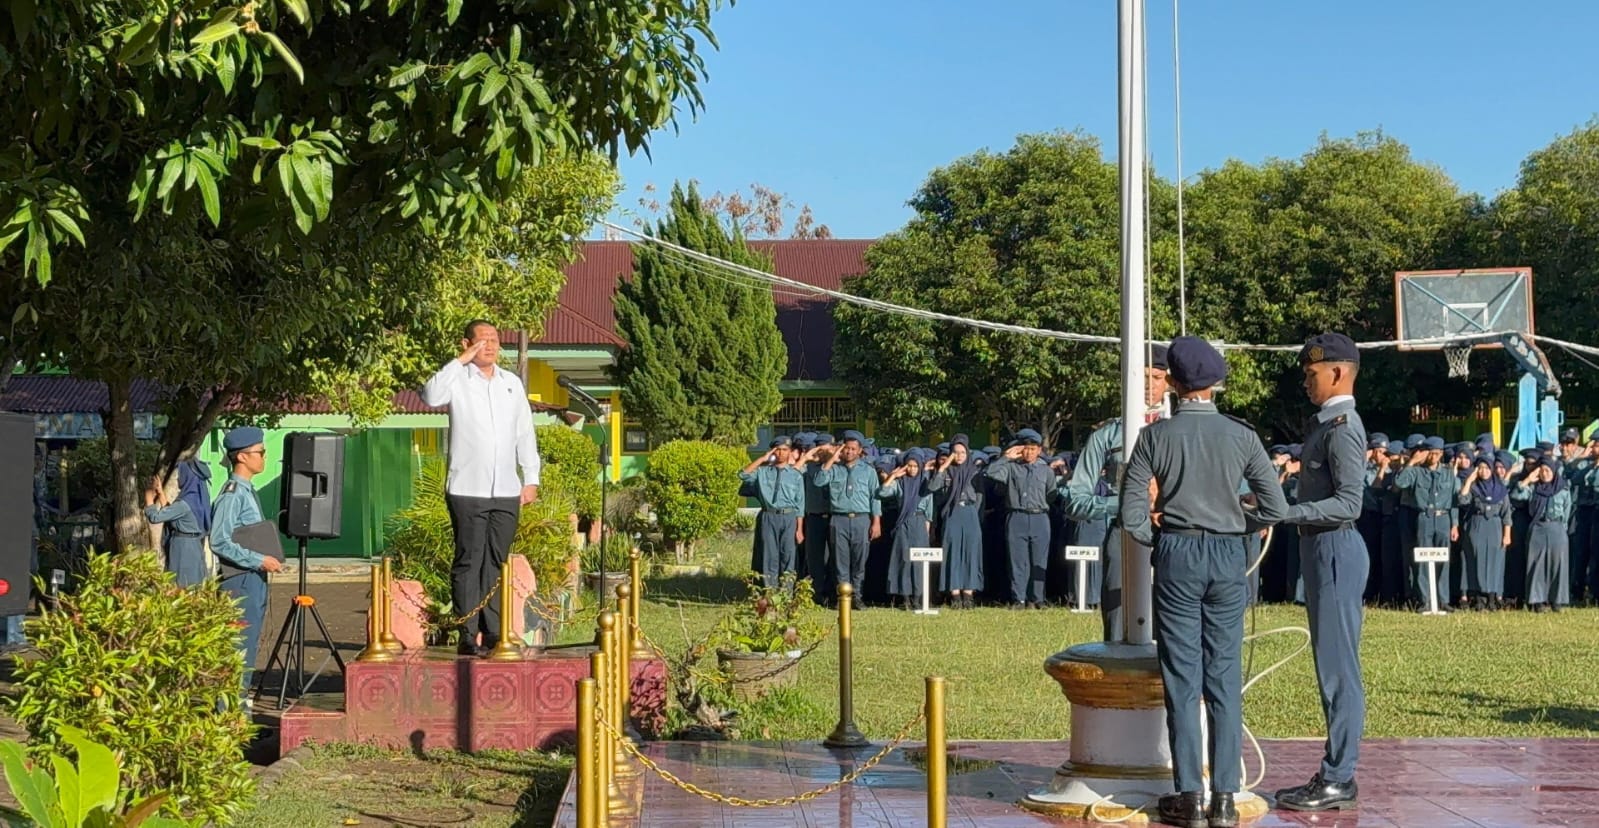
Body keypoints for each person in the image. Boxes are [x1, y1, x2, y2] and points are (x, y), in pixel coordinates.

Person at [1118, 336, 1288, 828]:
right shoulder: (1242, 435)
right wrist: (1241, 519)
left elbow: (1130, 517)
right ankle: (1226, 798)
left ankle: (1189, 794)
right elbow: (1275, 507)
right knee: (1224, 676)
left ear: (1171, 383)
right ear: (1217, 384)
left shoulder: (1154, 437)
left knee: (1181, 676)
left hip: (1177, 552)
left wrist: (1161, 531)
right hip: (1228, 554)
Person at [1274, 332, 1370, 813]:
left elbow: (1350, 502)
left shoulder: (1342, 427)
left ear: (1337, 373)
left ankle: (1339, 776)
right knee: (1331, 666)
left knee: (1338, 671)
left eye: (1313, 375)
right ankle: (1335, 770)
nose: (1307, 383)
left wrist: (1287, 512)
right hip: (1320, 549)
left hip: (1334, 549)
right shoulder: (1325, 424)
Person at [421, 320, 541, 656]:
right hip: (467, 487)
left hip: (505, 488)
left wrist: (531, 477)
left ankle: (493, 631)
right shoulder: (457, 379)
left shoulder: (511, 383)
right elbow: (430, 396)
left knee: (496, 561)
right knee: (468, 560)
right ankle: (466, 631)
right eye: (482, 340)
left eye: (494, 340)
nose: (489, 346)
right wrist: (460, 360)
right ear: (467, 343)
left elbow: (524, 432)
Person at [1064, 344, 1169, 637]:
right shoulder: (1107, 436)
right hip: (1124, 535)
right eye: (1142, 377)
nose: (1149, 385)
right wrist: (1127, 503)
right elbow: (1075, 501)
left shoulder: (1181, 431)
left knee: (1174, 624)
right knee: (1119, 622)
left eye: (1157, 377)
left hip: (1175, 534)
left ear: (1169, 382)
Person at [210, 426, 285, 694]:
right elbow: (219, 540)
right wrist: (258, 559)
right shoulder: (232, 494)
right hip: (240, 581)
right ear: (242, 457)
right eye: (260, 452)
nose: (264, 457)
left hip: (252, 579)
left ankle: (241, 719)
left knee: (248, 649)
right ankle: (231, 722)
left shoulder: (246, 490)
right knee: (238, 652)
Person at [986, 428, 1055, 609]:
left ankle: (1037, 598)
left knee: (1039, 560)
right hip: (1016, 516)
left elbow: (1051, 494)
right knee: (1017, 560)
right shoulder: (1011, 467)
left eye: (1033, 449)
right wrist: (1005, 457)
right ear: (1019, 449)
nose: (1029, 452)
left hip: (1039, 517)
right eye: (1025, 448)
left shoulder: (1046, 471)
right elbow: (991, 473)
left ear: (1039, 450)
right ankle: (1019, 599)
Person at [812, 430, 881, 609]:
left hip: (861, 519)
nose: (849, 452)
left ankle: (857, 596)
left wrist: (876, 522)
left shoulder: (868, 471)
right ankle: (844, 597)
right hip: (838, 519)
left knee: (859, 561)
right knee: (839, 561)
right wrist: (833, 457)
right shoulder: (833, 469)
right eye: (846, 448)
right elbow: (818, 481)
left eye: (852, 449)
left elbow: (875, 497)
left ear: (859, 451)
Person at [1394, 436, 1457, 612]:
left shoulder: (1448, 473)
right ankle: (1425, 600)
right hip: (1424, 517)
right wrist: (1412, 462)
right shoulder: (1417, 472)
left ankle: (1443, 599)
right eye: (1430, 454)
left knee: (1443, 560)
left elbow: (1454, 501)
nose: (1433, 457)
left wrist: (1455, 524)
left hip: (1444, 518)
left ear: (1441, 454)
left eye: (1437, 454)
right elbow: (1399, 483)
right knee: (1422, 560)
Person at [740, 437, 804, 589]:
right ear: (773, 452)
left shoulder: (795, 475)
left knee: (788, 556)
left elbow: (800, 504)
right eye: (778, 450)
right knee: (769, 556)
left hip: (788, 516)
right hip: (769, 515)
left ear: (790, 452)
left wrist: (799, 528)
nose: (781, 453)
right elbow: (743, 475)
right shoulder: (762, 472)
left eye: (785, 450)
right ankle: (770, 592)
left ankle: (786, 594)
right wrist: (763, 458)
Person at [928, 436, 984, 608]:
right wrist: (943, 467)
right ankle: (954, 594)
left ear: (968, 453)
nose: (959, 456)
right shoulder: (946, 472)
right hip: (952, 513)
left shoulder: (974, 471)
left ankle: (968, 593)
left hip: (970, 513)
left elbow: (980, 497)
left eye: (962, 452)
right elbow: (932, 487)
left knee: (970, 551)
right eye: (955, 452)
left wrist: (976, 514)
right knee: (951, 552)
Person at [1512, 450, 1570, 612]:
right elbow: (1516, 496)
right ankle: (1538, 600)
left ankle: (1557, 600)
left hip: (1557, 528)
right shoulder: (1533, 489)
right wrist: (1528, 480)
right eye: (1542, 470)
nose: (1545, 474)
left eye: (1548, 470)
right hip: (1537, 527)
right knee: (1536, 565)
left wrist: (1560, 529)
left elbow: (1567, 511)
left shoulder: (1563, 489)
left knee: (1558, 565)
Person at [880, 449, 934, 609]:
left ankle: (918, 597)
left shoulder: (925, 484)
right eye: (909, 466)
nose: (912, 469)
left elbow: (929, 511)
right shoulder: (900, 484)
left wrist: (927, 530)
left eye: (915, 466)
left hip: (920, 522)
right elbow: (882, 492)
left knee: (918, 562)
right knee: (903, 559)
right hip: (903, 523)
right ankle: (904, 597)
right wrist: (894, 476)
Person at [144, 459, 211, 587]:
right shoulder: (196, 499)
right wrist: (160, 493)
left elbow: (155, 517)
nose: (179, 478)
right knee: (193, 582)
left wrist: (148, 499)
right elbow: (174, 515)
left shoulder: (184, 503)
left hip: (183, 548)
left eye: (181, 474)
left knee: (180, 584)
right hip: (194, 546)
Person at [1457, 455, 1512, 611]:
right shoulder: (1473, 488)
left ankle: (1492, 598)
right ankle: (1479, 598)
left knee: (1495, 561)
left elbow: (1506, 513)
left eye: (1487, 468)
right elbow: (1462, 500)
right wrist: (1469, 480)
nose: (1484, 471)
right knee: (1475, 561)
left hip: (1495, 526)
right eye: (1480, 468)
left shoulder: (1500, 489)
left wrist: (1507, 534)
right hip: (1477, 525)